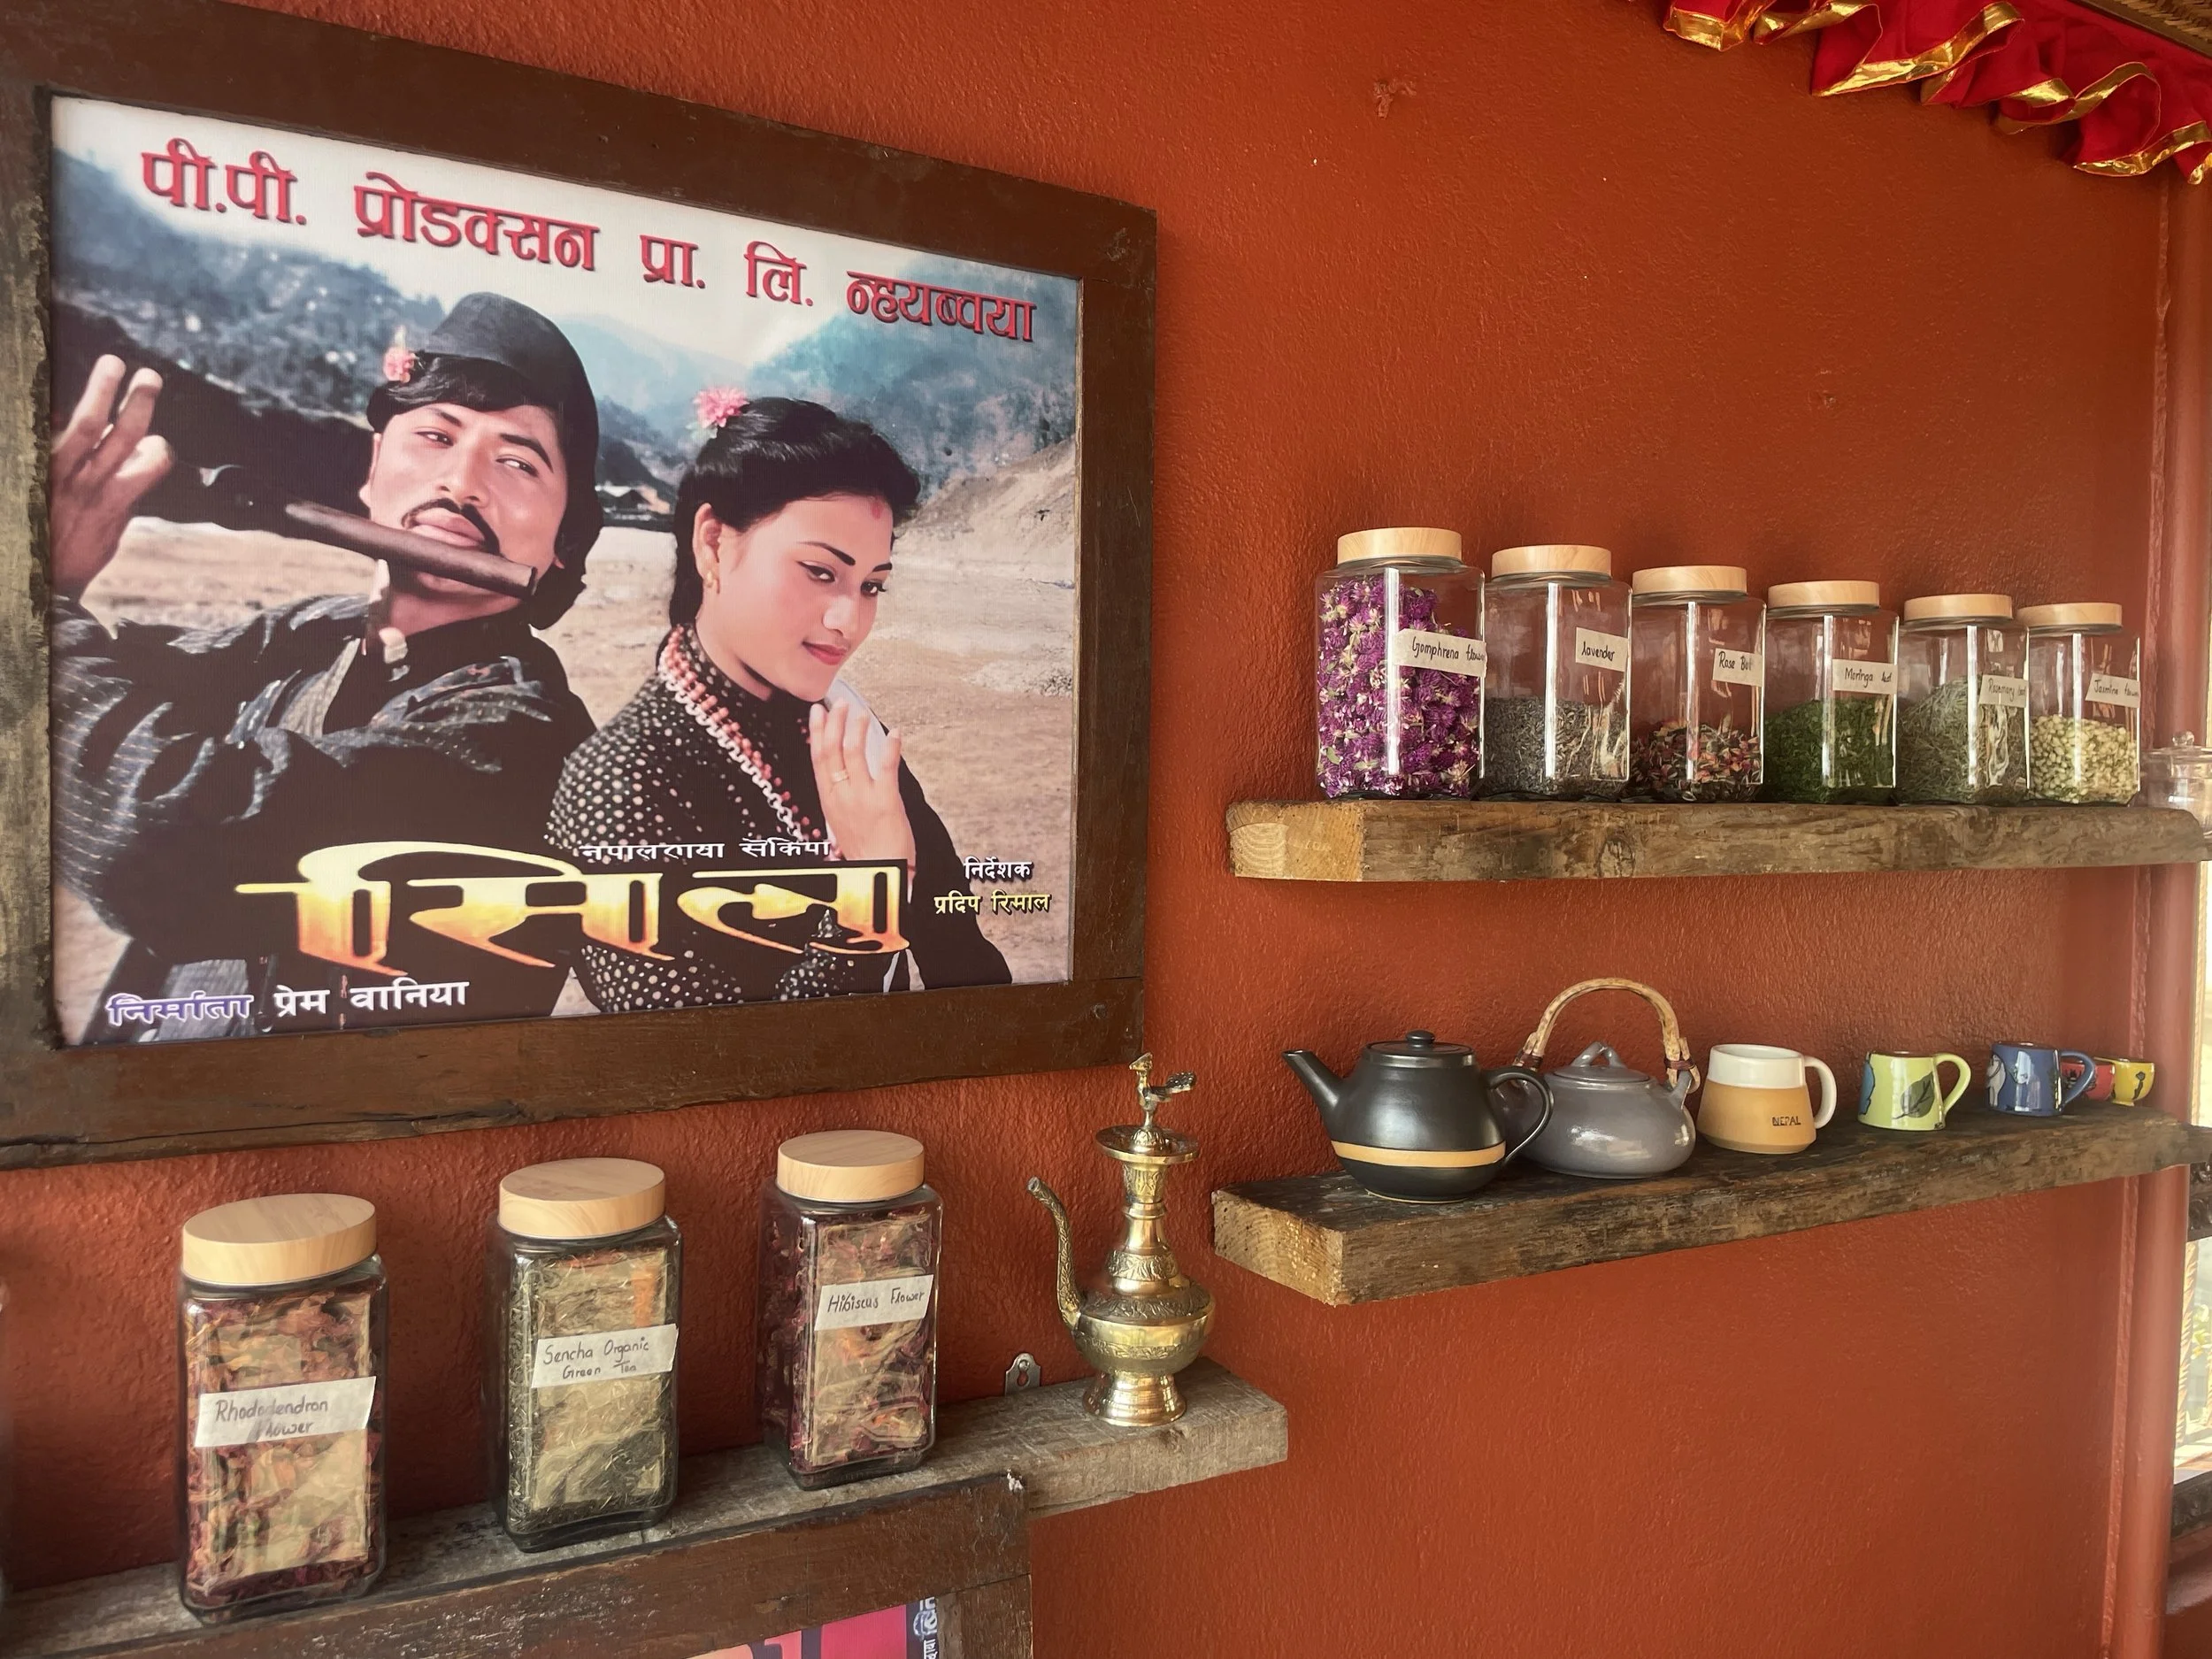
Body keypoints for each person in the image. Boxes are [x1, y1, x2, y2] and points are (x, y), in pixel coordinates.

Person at [52, 292, 602, 1041]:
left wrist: (30, 608)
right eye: (435, 435)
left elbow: (162, 835)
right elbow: (108, 682)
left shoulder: (522, 739)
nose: (462, 482)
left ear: (565, 539)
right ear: (373, 472)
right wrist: (57, 582)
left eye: (517, 461)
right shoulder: (321, 630)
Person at [548, 395, 1010, 1009]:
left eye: (872, 585)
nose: (850, 621)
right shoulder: (611, 785)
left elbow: (965, 962)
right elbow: (701, 1065)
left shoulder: (845, 723)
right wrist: (867, 892)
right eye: (821, 571)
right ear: (713, 545)